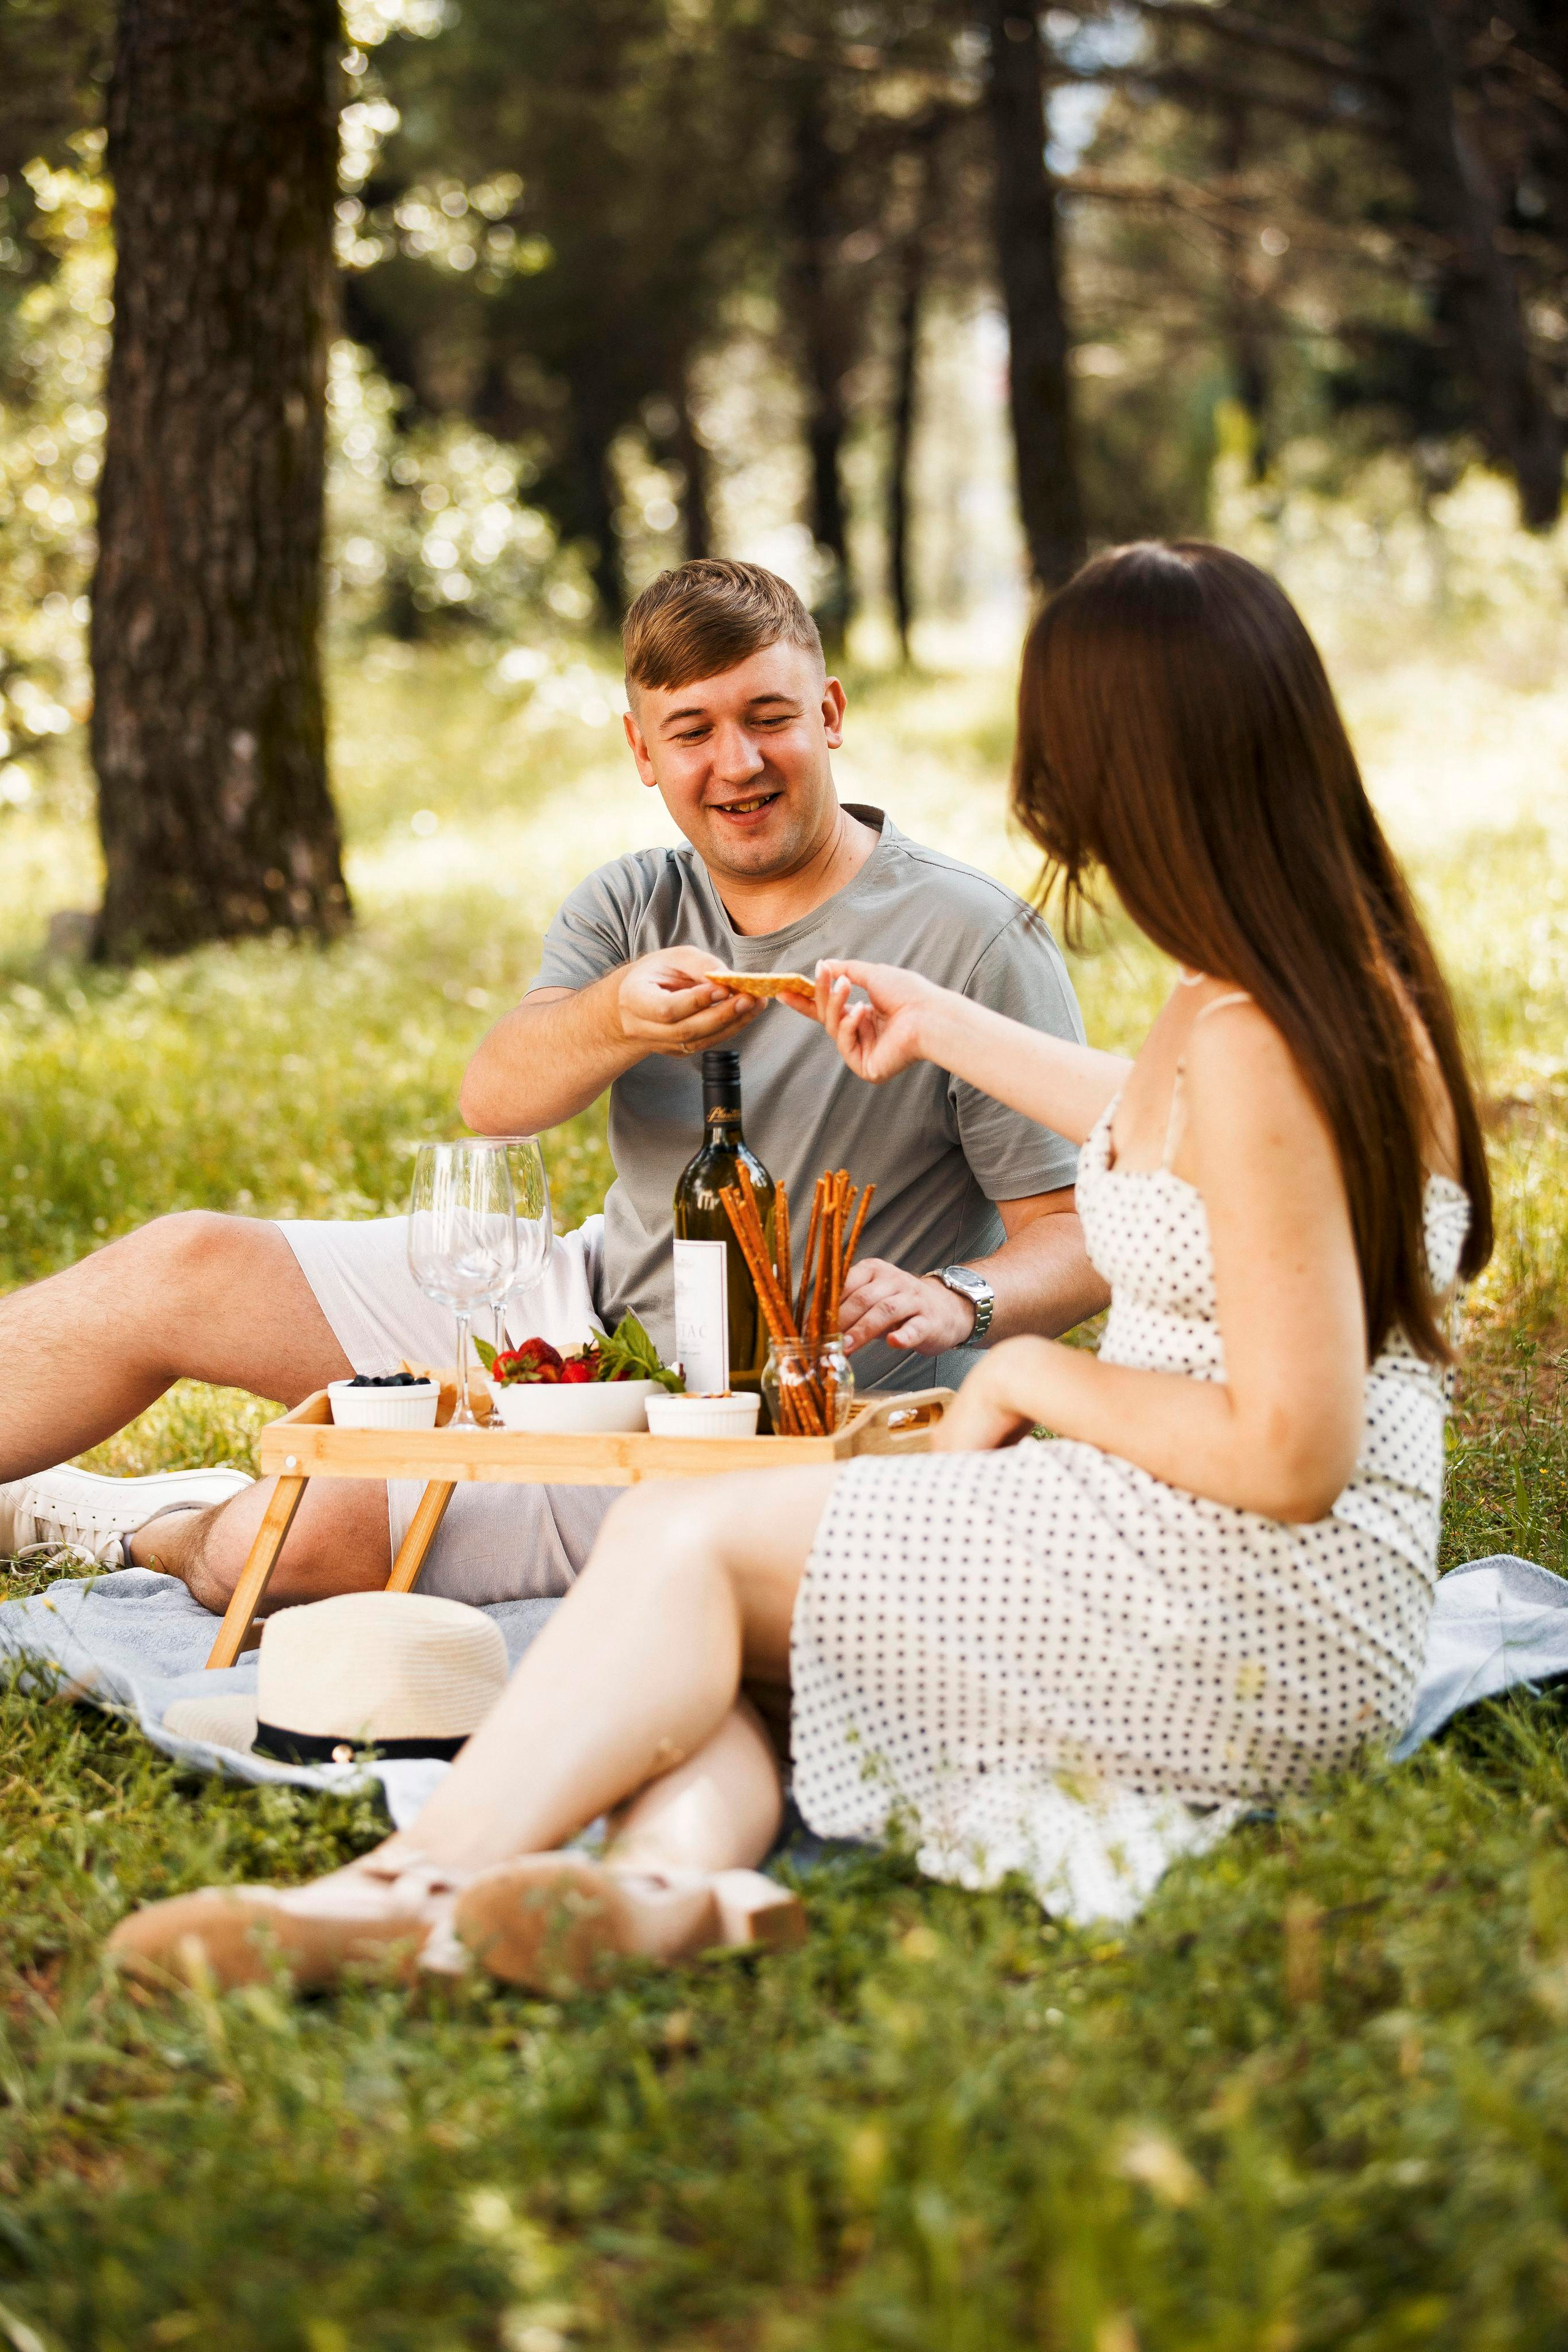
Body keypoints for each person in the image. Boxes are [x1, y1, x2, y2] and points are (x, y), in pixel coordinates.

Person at [109, 538, 1494, 1993]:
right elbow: (1162, 1129)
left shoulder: (1256, 1034)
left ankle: (407, 1891)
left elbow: (1291, 1454)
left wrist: (1022, 1364)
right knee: (733, 1624)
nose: (1044, 797)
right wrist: (936, 1022)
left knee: (685, 1542)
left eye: (1063, 751)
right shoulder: (1283, 991)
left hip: (1240, 1619)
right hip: (1249, 1582)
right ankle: (663, 1885)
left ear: (1149, 767)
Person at [0, 560, 1103, 1618]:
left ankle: (145, 1524)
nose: (738, 763)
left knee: (280, 1545)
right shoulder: (632, 901)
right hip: (584, 1312)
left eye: (768, 718)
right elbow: (496, 1097)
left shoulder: (973, 941)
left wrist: (964, 1298)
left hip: (780, 1429)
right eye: (692, 732)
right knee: (181, 1264)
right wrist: (614, 1013)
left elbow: (1081, 1234)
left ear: (830, 713)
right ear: (641, 751)